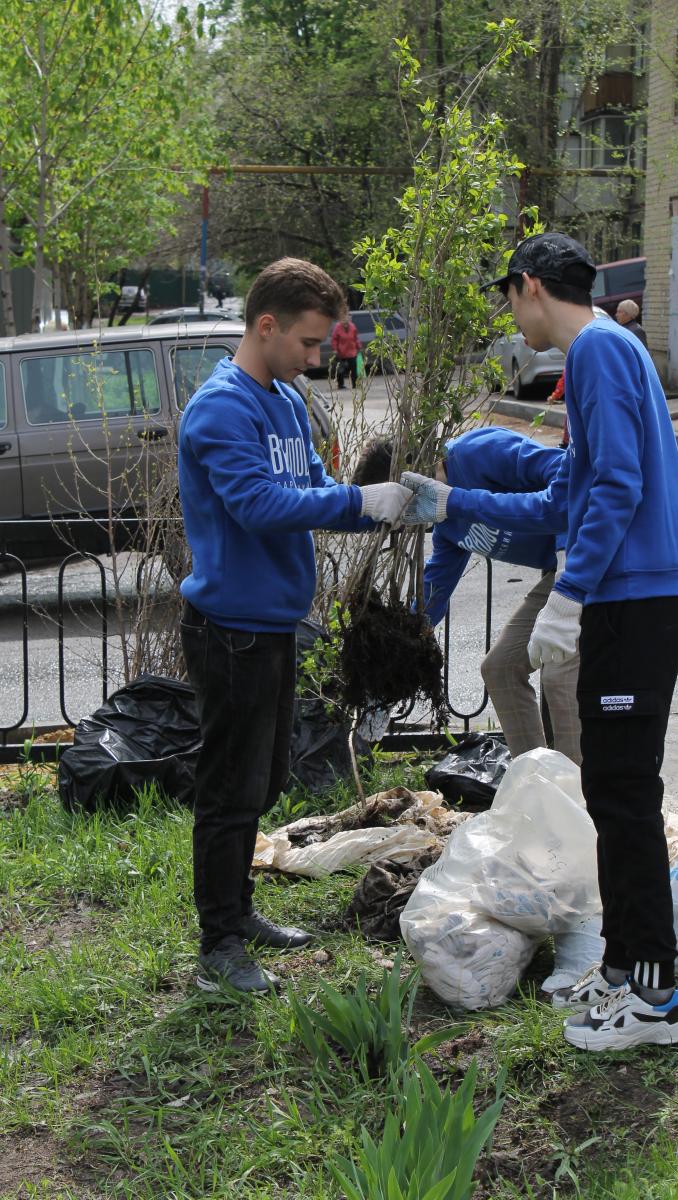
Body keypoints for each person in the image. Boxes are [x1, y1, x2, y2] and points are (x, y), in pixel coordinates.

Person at [400, 232, 678, 1052]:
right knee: (607, 788)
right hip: (628, 593)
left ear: (530, 286)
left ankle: (659, 1000)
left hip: (633, 597)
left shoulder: (599, 349)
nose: (511, 317)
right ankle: (622, 968)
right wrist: (455, 504)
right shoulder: (607, 353)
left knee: (624, 796)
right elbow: (565, 500)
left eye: (508, 299)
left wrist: (569, 593)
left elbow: (616, 489)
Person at [178, 257, 411, 994]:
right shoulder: (221, 408)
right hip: (230, 628)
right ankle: (219, 945)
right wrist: (355, 506)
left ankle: (238, 912)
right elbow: (257, 505)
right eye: (309, 344)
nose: (317, 358)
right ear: (267, 326)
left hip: (273, 622)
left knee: (267, 777)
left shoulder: (283, 399)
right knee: (230, 789)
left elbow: (308, 488)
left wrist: (359, 491)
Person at [351, 429, 581, 763]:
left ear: (409, 482)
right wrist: (389, 669)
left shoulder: (477, 452)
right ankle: (536, 783)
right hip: (558, 578)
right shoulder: (448, 526)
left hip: (590, 562)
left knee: (558, 676)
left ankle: (581, 799)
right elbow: (432, 596)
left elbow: (567, 474)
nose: (400, 524)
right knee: (500, 669)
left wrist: (564, 561)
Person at [331, 314, 362, 388]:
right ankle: (341, 385)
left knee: (353, 369)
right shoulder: (338, 327)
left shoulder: (352, 326)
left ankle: (355, 384)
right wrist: (335, 349)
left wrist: (358, 346)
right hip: (341, 353)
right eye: (344, 319)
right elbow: (334, 339)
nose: (346, 320)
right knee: (340, 370)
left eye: (348, 319)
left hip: (352, 352)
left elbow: (356, 338)